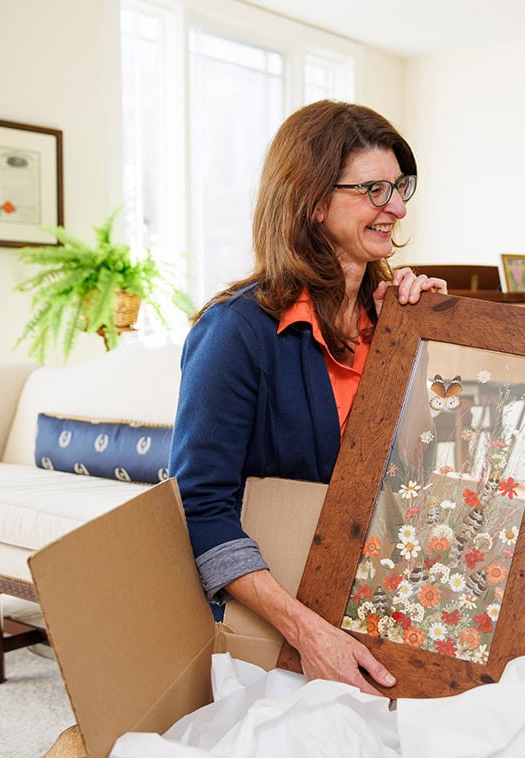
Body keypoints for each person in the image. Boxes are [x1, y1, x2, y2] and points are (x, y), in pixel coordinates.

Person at [170, 100, 446, 696]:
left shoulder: (397, 319)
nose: (396, 208)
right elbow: (199, 509)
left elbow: (424, 474)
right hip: (281, 618)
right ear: (313, 201)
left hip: (391, 592)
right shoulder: (234, 333)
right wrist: (308, 632)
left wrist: (432, 340)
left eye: (400, 186)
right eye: (374, 189)